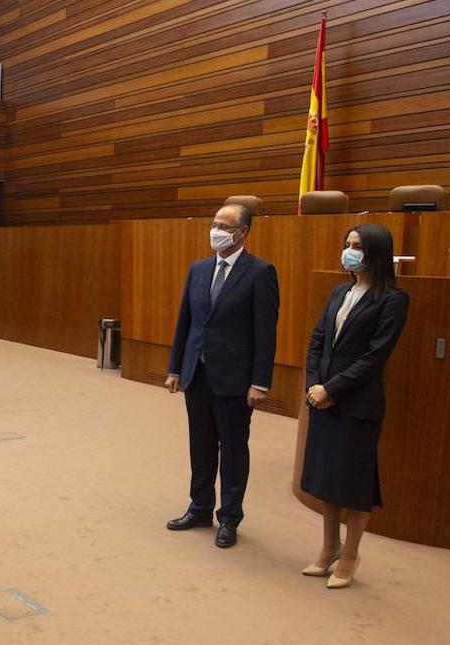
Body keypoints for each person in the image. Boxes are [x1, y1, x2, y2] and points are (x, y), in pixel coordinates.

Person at [300, 224, 409, 588]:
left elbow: (375, 356)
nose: (350, 251)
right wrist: (314, 384)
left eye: (357, 246)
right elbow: (317, 340)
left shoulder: (394, 299)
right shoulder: (339, 290)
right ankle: (330, 546)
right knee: (327, 477)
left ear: (375, 252)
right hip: (323, 400)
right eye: (347, 244)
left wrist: (331, 388)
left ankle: (350, 554)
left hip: (357, 404)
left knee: (355, 483)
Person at [164, 203, 279, 548]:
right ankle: (199, 507)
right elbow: (185, 321)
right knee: (200, 446)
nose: (215, 231)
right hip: (197, 373)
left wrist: (260, 382)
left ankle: (229, 517)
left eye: (224, 226)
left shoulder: (260, 272)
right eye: (214, 223)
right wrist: (175, 368)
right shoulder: (198, 270)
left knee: (232, 449)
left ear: (242, 232)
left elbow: (265, 333)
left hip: (234, 379)